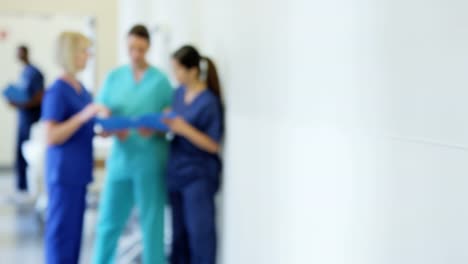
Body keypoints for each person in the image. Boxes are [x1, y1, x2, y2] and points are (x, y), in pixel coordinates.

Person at [92, 24, 173, 264]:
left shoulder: (160, 81)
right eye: (131, 48)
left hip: (150, 159)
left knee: (152, 223)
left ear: (148, 47)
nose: (136, 54)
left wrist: (159, 126)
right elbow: (102, 114)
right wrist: (110, 126)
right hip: (121, 159)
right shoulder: (114, 78)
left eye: (140, 48)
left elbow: (170, 119)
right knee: (108, 222)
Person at [41, 31, 108, 264]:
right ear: (70, 54)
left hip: (79, 173)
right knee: (60, 235)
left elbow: (85, 127)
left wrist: (105, 127)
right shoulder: (57, 91)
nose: (88, 56)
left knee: (74, 236)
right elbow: (50, 136)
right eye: (83, 51)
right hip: (63, 174)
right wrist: (83, 116)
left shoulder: (82, 89)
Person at [164, 45, 224, 264]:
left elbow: (213, 145)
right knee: (178, 236)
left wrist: (184, 129)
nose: (175, 75)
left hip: (198, 176)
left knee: (200, 236)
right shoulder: (177, 94)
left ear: (192, 71)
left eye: (178, 70)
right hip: (176, 173)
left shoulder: (209, 102)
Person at [7, 45, 45, 203]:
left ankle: (28, 191)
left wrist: (21, 104)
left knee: (28, 153)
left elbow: (38, 96)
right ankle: (21, 188)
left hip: (32, 119)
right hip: (24, 118)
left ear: (26, 53)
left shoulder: (35, 73)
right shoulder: (24, 73)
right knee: (20, 151)